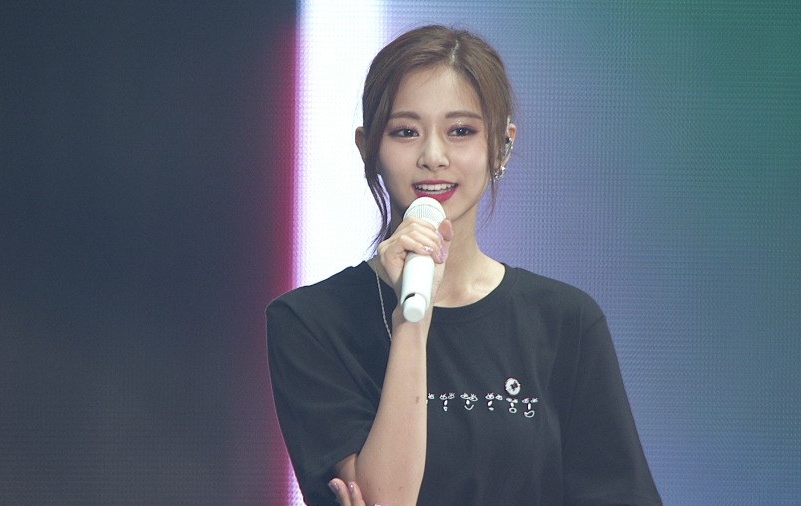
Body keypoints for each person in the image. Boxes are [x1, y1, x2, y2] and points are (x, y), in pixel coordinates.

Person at [267, 25, 662, 506]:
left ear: (501, 145)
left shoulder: (565, 322)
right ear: (368, 147)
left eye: (460, 131)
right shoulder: (310, 322)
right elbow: (387, 499)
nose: (433, 157)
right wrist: (412, 323)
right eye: (405, 132)